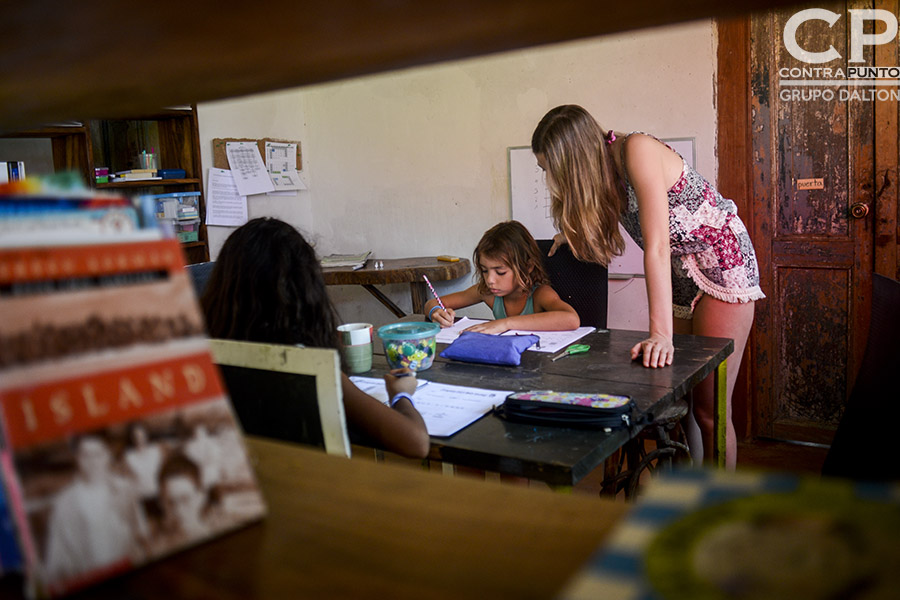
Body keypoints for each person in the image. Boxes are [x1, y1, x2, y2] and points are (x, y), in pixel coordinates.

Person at [531, 105, 765, 468]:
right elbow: (605, 216)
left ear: (572, 163)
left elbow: (657, 246)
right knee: (684, 400)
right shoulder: (606, 170)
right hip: (681, 271)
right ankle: (687, 494)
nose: (551, 179)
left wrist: (661, 334)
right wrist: (568, 234)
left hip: (722, 264)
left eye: (552, 170)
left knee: (709, 410)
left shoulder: (636, 149)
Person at [201, 217, 429, 459]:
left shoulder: (201, 357)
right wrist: (401, 396)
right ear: (305, 289)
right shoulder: (307, 366)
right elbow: (416, 443)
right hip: (310, 490)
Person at [424, 220, 580, 333]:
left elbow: (571, 319)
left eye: (500, 272)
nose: (490, 280)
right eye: (485, 271)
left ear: (528, 266)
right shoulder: (487, 292)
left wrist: (506, 323)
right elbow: (432, 302)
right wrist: (436, 312)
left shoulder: (540, 294)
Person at [43, 433, 147, 586]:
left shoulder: (125, 489)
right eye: (86, 455)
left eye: (98, 454)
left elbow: (141, 534)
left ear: (108, 455)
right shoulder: (64, 503)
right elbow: (56, 555)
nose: (93, 462)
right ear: (77, 458)